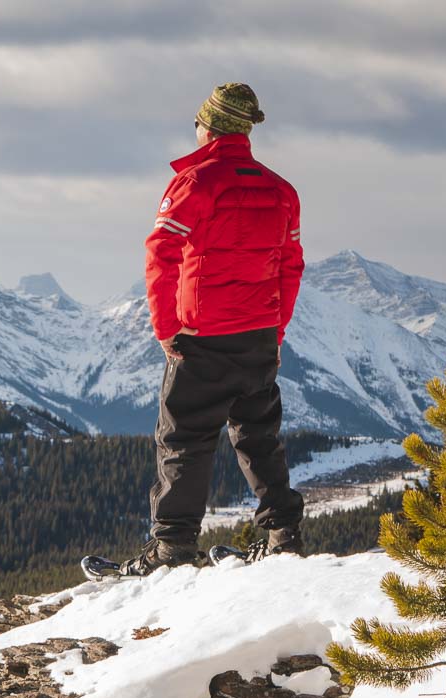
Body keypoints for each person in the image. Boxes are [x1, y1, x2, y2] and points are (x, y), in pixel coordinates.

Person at [118, 81, 306, 577]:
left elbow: (160, 255)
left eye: (199, 122)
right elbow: (291, 265)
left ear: (209, 126)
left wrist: (166, 329)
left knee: (184, 438)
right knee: (259, 434)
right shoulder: (282, 190)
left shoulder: (194, 183)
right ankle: (284, 535)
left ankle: (173, 548)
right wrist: (277, 331)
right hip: (261, 331)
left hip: (202, 335)